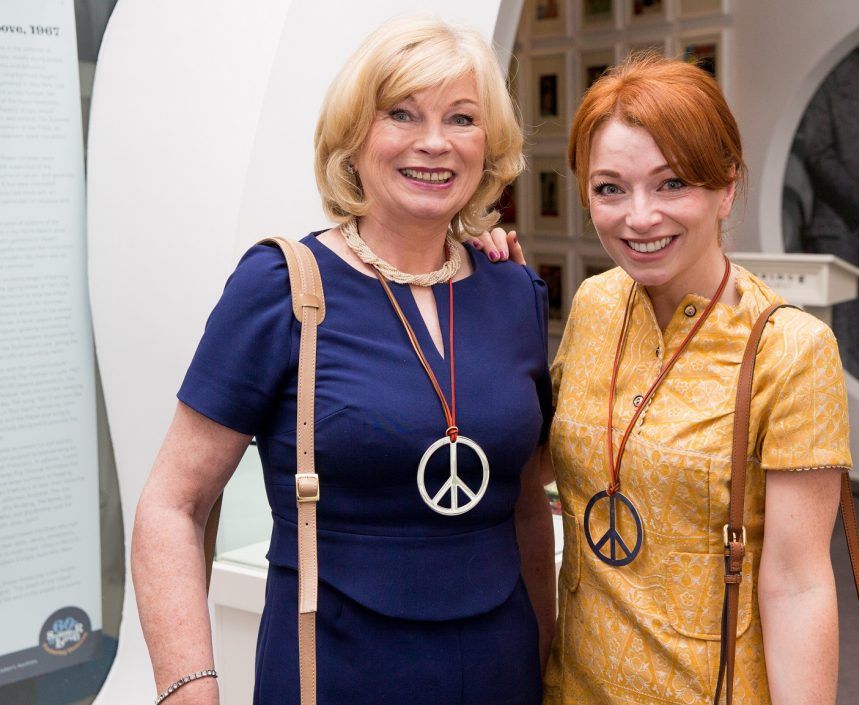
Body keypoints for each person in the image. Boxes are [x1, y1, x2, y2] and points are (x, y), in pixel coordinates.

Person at [132, 16, 554, 705]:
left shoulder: (515, 292)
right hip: (335, 669)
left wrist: (547, 659)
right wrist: (187, 688)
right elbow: (172, 504)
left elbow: (527, 505)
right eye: (402, 114)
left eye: (462, 118)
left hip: (500, 669)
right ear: (355, 136)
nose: (434, 142)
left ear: (490, 145)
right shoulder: (281, 286)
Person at [484, 53, 851, 705]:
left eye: (672, 183)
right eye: (610, 188)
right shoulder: (595, 306)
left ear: (726, 187)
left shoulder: (790, 350)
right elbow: (537, 464)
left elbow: (799, 584)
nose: (639, 217)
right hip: (573, 685)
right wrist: (485, 303)